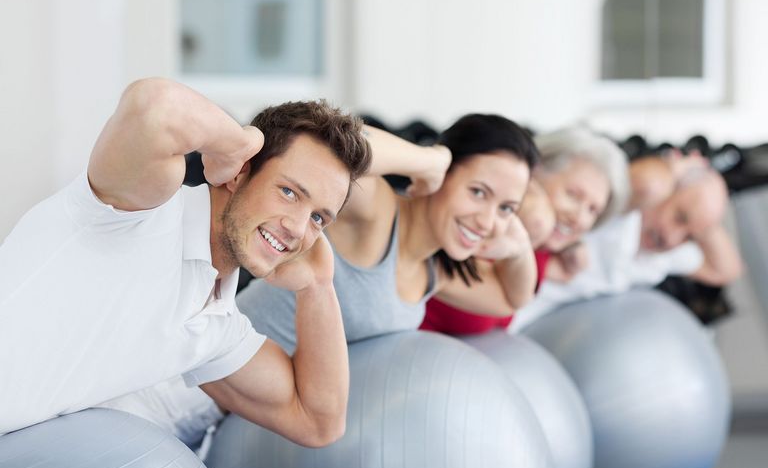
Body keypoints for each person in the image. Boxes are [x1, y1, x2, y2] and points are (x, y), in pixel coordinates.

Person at [0, 78, 372, 447]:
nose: (297, 228)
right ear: (240, 172)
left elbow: (318, 421)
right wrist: (239, 143)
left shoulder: (216, 327)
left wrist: (318, 286)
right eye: (289, 192)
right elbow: (154, 107)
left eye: (318, 218)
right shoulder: (141, 211)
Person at [237, 113, 540, 355]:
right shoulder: (377, 212)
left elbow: (512, 298)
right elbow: (332, 145)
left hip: (254, 415)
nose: (486, 222)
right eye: (478, 192)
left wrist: (520, 246)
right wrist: (431, 160)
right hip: (205, 381)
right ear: (443, 175)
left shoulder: (434, 271)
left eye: (506, 208)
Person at [420, 127, 630, 335]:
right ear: (533, 174)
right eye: (573, 195)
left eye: (593, 210)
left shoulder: (541, 254)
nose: (579, 218)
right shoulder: (474, 227)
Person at [510, 150, 743, 332]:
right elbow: (648, 183)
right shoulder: (622, 207)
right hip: (502, 289)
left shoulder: (666, 255)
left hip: (514, 321)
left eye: (689, 236)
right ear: (668, 190)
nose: (672, 238)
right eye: (679, 217)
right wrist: (677, 168)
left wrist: (707, 222)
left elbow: (726, 270)